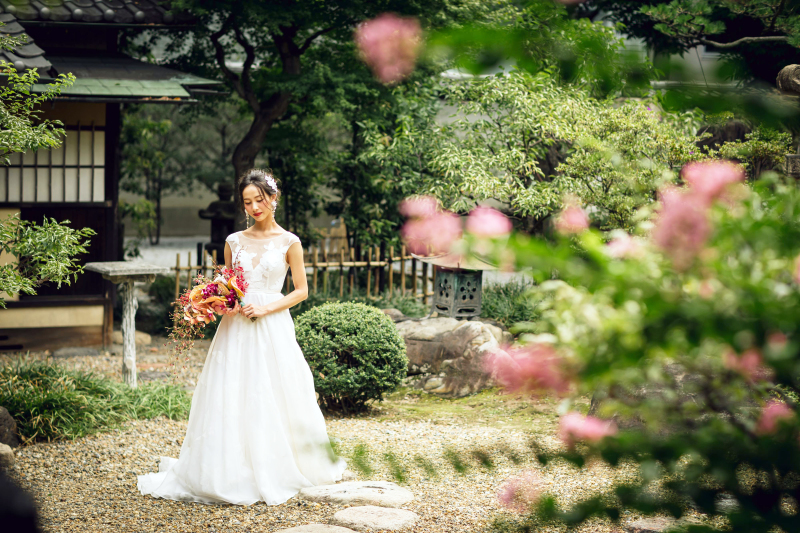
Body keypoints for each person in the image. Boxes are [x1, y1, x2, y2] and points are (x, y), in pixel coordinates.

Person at [138, 168, 346, 505]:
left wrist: (265, 309)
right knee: (231, 390)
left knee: (276, 388)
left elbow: (302, 291)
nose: (254, 207)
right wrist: (218, 303)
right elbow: (229, 285)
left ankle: (280, 465)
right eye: (247, 202)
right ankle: (228, 469)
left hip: (272, 324)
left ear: (273, 198)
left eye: (259, 200)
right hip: (235, 328)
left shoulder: (290, 242)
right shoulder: (234, 241)